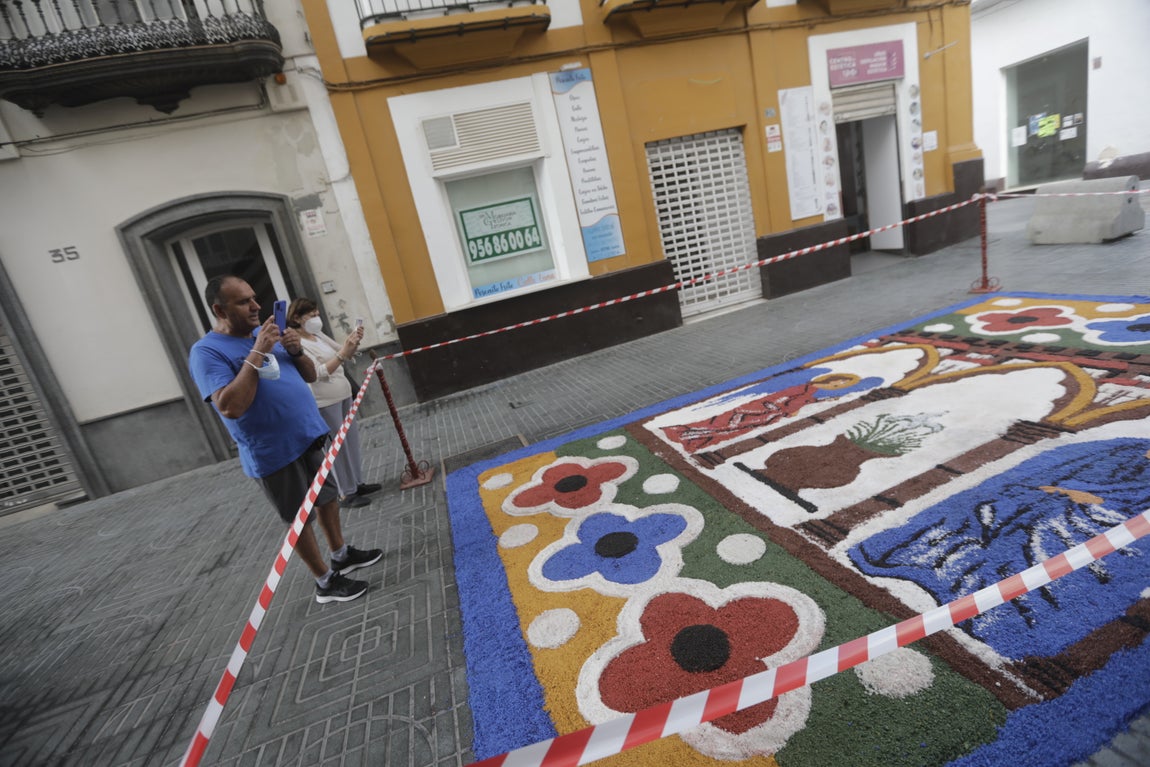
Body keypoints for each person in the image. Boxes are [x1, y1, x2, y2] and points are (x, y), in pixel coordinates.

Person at [188, 275, 382, 604]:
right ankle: (324, 581)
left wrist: (294, 349)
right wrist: (258, 352)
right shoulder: (206, 352)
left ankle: (341, 553)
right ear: (219, 309)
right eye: (243, 301)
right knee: (299, 517)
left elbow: (308, 374)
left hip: (307, 434)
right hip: (272, 451)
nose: (255, 306)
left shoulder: (266, 334)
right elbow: (230, 406)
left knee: (327, 498)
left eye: (254, 298)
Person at [286, 297, 381, 508]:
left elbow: (344, 351)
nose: (316, 319)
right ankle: (345, 493)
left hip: (344, 393)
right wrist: (342, 354)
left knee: (351, 441)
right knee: (336, 448)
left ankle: (357, 483)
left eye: (317, 314)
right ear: (296, 318)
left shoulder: (317, 334)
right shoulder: (298, 344)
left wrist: (353, 342)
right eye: (311, 315)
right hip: (325, 401)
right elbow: (317, 372)